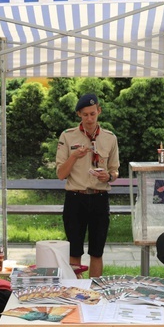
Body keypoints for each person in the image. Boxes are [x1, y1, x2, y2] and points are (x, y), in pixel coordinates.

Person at [55, 93, 120, 278]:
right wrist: (74, 156)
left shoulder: (110, 138)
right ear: (79, 115)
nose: (89, 119)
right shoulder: (67, 136)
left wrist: (109, 176)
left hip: (99, 198)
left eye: (93, 114)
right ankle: (76, 292)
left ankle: (96, 292)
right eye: (85, 115)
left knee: (97, 251)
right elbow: (60, 174)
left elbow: (115, 171)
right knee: (74, 251)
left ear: (99, 111)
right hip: (76, 198)